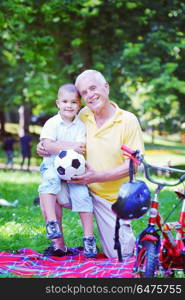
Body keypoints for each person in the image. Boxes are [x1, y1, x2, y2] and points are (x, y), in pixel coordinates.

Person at [37, 70, 144, 258]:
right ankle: (58, 246)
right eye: (84, 93)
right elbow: (59, 130)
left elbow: (134, 165)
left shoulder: (127, 120)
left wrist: (96, 177)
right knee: (48, 186)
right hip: (76, 185)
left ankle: (107, 238)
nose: (90, 95)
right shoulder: (82, 115)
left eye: (93, 88)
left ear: (106, 87)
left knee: (122, 255)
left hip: (108, 198)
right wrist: (44, 145)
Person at [38, 83, 97, 258]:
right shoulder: (52, 123)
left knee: (83, 195)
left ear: (79, 105)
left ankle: (89, 238)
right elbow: (48, 145)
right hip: (51, 165)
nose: (69, 105)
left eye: (73, 102)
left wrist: (57, 146)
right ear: (58, 103)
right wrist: (68, 146)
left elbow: (80, 149)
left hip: (73, 168)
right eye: (64, 101)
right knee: (49, 181)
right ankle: (51, 222)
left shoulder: (80, 126)